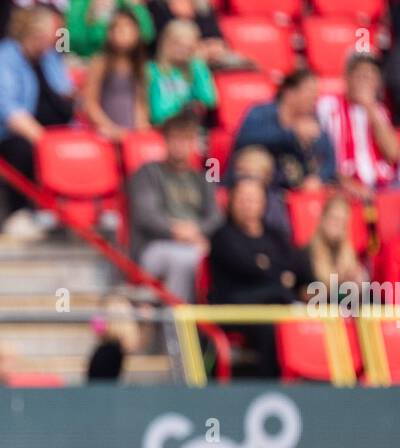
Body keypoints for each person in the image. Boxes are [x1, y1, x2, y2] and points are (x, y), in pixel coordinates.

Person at [0, 5, 74, 239]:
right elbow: (8, 111)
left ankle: (70, 213)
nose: (52, 37)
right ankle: (19, 212)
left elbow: (66, 92)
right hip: (7, 134)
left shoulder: (51, 57)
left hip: (53, 132)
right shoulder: (2, 57)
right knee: (24, 149)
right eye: (47, 32)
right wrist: (45, 141)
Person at [208, 177, 312, 376]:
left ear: (263, 203)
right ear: (231, 201)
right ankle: (271, 386)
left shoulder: (276, 237)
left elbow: (299, 268)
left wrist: (268, 268)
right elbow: (247, 269)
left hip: (278, 305)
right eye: (243, 199)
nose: (248, 205)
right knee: (271, 324)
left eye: (253, 199)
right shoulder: (223, 236)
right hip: (236, 308)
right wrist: (279, 276)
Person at [129, 112, 221, 302]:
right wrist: (178, 232)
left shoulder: (203, 178)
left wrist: (196, 231)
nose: (180, 145)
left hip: (196, 243)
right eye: (175, 139)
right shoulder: (148, 172)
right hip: (155, 246)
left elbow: (215, 217)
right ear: (165, 141)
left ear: (194, 143)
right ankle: (177, 329)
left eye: (186, 139)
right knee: (184, 259)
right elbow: (146, 215)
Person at [315, 54, 400, 198]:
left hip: (381, 187)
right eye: (361, 76)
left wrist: (370, 108)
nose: (365, 82)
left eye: (371, 77)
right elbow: (320, 152)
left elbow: (393, 153)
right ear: (348, 78)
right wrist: (345, 183)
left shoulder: (379, 111)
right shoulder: (327, 105)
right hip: (341, 185)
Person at [234, 69, 335, 191]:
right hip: (262, 185)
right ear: (289, 93)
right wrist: (291, 134)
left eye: (316, 93)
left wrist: (319, 178)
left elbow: (330, 159)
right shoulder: (261, 112)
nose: (314, 98)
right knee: (255, 160)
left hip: (296, 183)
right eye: (309, 91)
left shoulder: (312, 122)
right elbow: (244, 138)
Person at [81, 8, 150, 138]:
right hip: (106, 133)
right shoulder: (100, 62)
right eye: (118, 27)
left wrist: (142, 129)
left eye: (128, 27)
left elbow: (140, 103)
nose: (123, 32)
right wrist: (111, 128)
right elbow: (89, 103)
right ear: (110, 33)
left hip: (132, 135)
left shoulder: (139, 64)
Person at [146, 18, 216, 127]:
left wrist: (198, 64)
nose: (183, 49)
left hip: (190, 130)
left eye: (188, 46)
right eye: (178, 44)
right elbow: (157, 113)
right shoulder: (151, 70)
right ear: (165, 42)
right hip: (162, 130)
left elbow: (209, 100)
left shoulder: (194, 69)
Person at [304, 193, 367, 293]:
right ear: (323, 219)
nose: (338, 225)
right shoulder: (305, 256)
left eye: (343, 221)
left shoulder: (349, 256)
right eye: (334, 219)